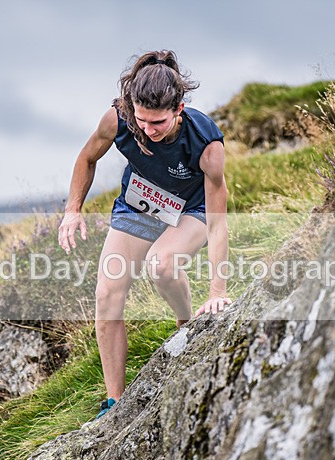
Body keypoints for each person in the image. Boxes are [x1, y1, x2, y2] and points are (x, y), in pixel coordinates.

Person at [58, 50, 231, 420]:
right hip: (141, 204)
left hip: (191, 210)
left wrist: (218, 293)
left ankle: (187, 323)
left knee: (162, 264)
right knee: (106, 294)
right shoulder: (117, 119)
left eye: (159, 123)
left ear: (179, 109)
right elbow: (87, 158)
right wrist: (73, 210)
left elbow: (218, 222)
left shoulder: (206, 145)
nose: (148, 131)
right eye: (142, 120)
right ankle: (114, 404)